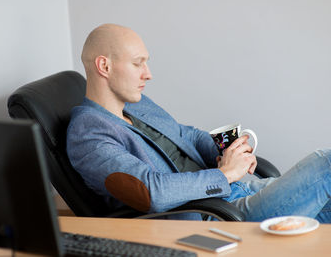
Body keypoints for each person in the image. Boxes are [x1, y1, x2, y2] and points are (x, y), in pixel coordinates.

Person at [66, 23, 331, 222]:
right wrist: (226, 173)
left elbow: (186, 135)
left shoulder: (136, 103)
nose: (148, 74)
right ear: (105, 66)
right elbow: (150, 191)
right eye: (138, 64)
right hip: (214, 216)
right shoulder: (88, 133)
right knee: (326, 163)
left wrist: (227, 151)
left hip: (237, 191)